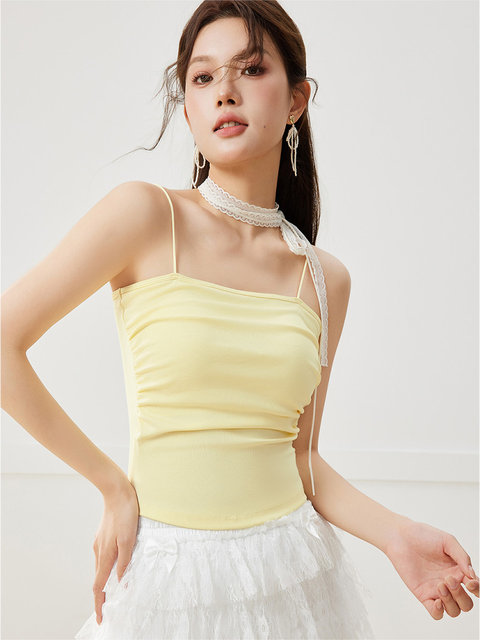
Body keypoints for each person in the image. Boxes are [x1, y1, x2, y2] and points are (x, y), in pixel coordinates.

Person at [1, 1, 477, 638]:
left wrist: (396, 535)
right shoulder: (145, 216)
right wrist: (111, 485)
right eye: (203, 78)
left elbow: (301, 458)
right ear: (189, 109)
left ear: (297, 100)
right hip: (168, 578)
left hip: (292, 576)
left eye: (250, 69)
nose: (224, 91)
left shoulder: (324, 279)